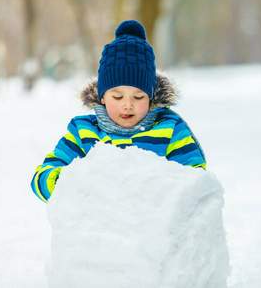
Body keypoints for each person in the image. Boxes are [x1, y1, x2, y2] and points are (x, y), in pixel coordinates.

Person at [31, 20, 206, 203]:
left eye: (138, 97)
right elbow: (42, 177)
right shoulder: (84, 132)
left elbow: (196, 181)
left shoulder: (170, 130)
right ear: (103, 97)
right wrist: (64, 183)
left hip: (153, 224)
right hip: (96, 225)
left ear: (151, 97)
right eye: (117, 97)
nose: (128, 105)